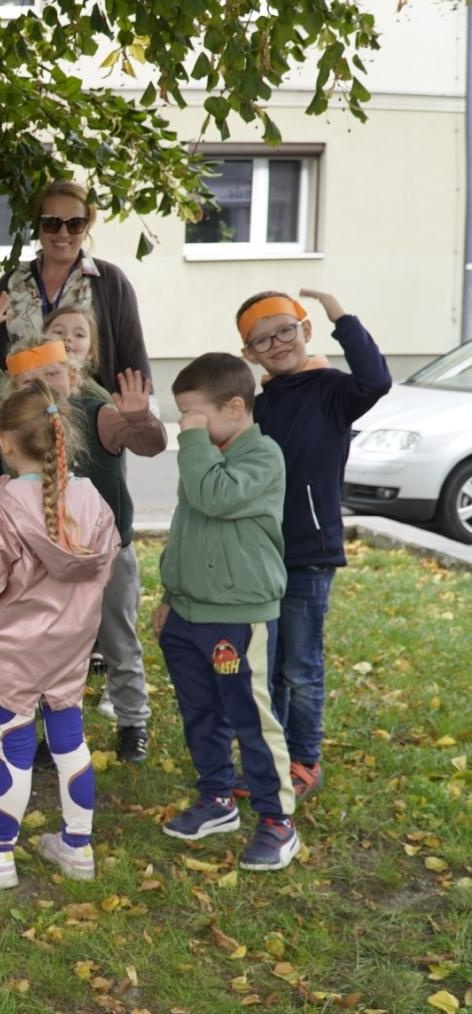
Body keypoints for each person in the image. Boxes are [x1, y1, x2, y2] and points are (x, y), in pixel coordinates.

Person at [0, 309, 166, 763]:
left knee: (118, 638)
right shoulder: (21, 426)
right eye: (37, 377)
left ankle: (133, 721)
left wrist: (141, 420)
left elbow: (149, 444)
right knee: (39, 643)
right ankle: (40, 733)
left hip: (106, 553)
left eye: (57, 372)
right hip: (40, 558)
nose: (50, 383)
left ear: (74, 374)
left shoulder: (98, 414)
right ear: (18, 388)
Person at [0, 384, 117, 888]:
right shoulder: (90, 497)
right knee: (71, 743)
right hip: (69, 646)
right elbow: (103, 567)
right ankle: (77, 846)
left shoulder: (4, 506)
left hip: (13, 652)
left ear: (4, 442)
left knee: (13, 748)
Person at [239, 289, 391, 798]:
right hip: (261, 556)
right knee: (269, 665)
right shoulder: (258, 407)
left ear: (305, 329)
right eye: (262, 339)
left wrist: (341, 316)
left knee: (301, 667)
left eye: (285, 330)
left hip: (309, 555)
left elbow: (377, 379)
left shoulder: (332, 391)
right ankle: (272, 760)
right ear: (250, 353)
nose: (277, 343)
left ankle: (305, 760)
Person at [155, 353, 300, 872]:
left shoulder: (263, 457)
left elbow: (215, 497)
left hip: (238, 615)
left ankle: (277, 821)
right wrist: (171, 595)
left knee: (252, 718)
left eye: (192, 415)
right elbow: (188, 525)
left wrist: (192, 441)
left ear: (235, 408)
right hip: (188, 615)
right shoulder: (204, 456)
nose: (184, 427)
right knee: (201, 713)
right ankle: (217, 800)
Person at [0, 179, 151, 392]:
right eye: (51, 223)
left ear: (87, 226)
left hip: (91, 416)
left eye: (75, 224)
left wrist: (144, 413)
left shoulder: (111, 282)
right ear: (38, 226)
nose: (63, 233)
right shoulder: (11, 283)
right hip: (24, 414)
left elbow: (133, 356)